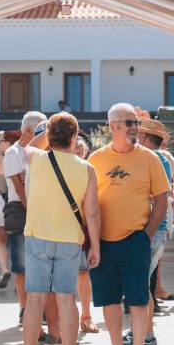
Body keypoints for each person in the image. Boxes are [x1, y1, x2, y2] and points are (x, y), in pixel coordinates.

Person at [87, 103, 170, 345]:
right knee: (108, 299)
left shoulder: (149, 158)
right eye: (129, 122)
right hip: (102, 242)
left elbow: (161, 200)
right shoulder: (95, 159)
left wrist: (146, 234)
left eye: (136, 123)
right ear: (113, 126)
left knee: (137, 298)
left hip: (135, 239)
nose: (135, 127)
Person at [16, 113, 101, 345]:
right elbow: (93, 212)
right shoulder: (86, 168)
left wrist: (47, 134)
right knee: (67, 299)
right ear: (75, 137)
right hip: (70, 240)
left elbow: (26, 146)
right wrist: (95, 247)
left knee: (35, 300)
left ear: (50, 136)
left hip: (38, 237)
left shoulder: (38, 158)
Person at [125, 116, 174, 345]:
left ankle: (147, 335)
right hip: (158, 227)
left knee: (140, 286)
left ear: (145, 137)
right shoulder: (165, 158)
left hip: (148, 227)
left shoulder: (149, 158)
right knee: (144, 283)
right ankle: (143, 332)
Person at [3, 111, 47, 323]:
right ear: (30, 129)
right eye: (40, 131)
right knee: (21, 264)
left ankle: (40, 307)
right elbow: (18, 186)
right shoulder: (13, 152)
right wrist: (30, 206)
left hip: (40, 207)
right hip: (20, 209)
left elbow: (28, 177)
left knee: (40, 261)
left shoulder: (41, 152)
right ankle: (23, 306)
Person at [0, 130, 20, 290]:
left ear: (7, 143)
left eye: (0, 140)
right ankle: (20, 276)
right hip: (18, 202)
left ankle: (4, 269)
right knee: (18, 240)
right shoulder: (22, 158)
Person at [75, 136, 98, 334]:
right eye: (76, 153)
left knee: (83, 274)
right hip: (65, 229)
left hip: (83, 229)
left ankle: (86, 315)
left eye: (81, 153)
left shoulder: (89, 171)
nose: (79, 157)